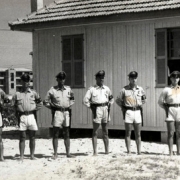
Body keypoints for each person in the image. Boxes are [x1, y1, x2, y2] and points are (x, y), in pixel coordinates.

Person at [43, 71, 75, 160]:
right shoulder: (52, 90)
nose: (62, 80)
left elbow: (72, 99)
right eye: (60, 79)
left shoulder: (68, 89)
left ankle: (68, 153)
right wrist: (52, 108)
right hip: (57, 113)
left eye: (63, 79)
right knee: (56, 133)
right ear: (57, 79)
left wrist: (69, 105)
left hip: (66, 113)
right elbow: (45, 101)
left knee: (67, 133)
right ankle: (55, 153)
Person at [12, 73, 43, 161]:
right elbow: (13, 105)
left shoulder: (34, 93)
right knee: (22, 137)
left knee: (32, 137)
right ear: (21, 82)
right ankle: (21, 156)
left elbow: (40, 103)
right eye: (24, 81)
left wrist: (34, 110)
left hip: (31, 116)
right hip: (22, 116)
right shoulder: (17, 94)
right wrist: (16, 114)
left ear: (29, 82)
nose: (26, 83)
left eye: (27, 81)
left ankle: (32, 155)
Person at [83, 70, 114, 156]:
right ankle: (95, 151)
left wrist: (109, 104)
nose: (102, 80)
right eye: (100, 78)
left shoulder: (106, 89)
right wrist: (91, 107)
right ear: (96, 78)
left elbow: (111, 99)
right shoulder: (92, 89)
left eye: (103, 78)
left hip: (105, 110)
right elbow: (85, 100)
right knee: (95, 131)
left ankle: (107, 151)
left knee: (105, 131)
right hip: (97, 110)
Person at [116, 71, 146, 155]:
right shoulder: (124, 89)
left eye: (135, 78)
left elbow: (144, 100)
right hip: (128, 112)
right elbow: (118, 100)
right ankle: (129, 151)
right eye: (132, 78)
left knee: (138, 133)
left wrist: (139, 105)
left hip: (137, 112)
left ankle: (139, 151)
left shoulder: (140, 89)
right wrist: (123, 107)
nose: (134, 80)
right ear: (129, 79)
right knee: (128, 133)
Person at [158, 71, 180, 156]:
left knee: (179, 132)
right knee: (171, 132)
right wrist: (166, 108)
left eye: (177, 77)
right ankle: (170, 152)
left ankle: (178, 152)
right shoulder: (166, 89)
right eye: (173, 77)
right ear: (170, 78)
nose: (175, 79)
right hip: (170, 111)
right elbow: (160, 102)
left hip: (179, 110)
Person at [0, 89, 9, 161]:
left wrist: (2, 104)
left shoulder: (0, 91)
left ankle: (1, 157)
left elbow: (7, 100)